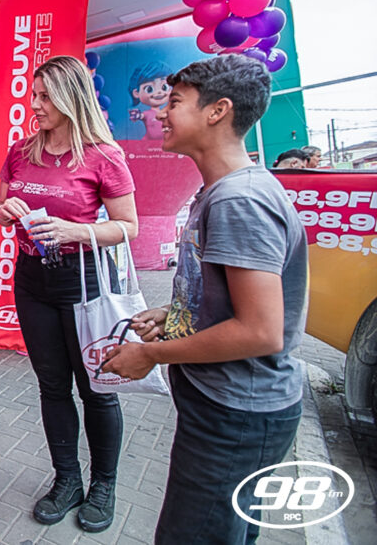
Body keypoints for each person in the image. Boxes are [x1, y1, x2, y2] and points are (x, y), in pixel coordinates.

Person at [102, 55, 308, 544]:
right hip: (225, 408)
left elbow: (259, 331)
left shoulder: (240, 200)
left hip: (236, 417)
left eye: (174, 102)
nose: (160, 112)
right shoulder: (220, 191)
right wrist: (175, 315)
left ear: (218, 111)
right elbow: (229, 301)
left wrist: (150, 355)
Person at [0, 55, 138, 533]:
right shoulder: (21, 151)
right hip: (33, 280)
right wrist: (5, 212)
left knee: (97, 388)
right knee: (52, 386)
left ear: (70, 98)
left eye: (44, 97)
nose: (34, 104)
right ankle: (67, 480)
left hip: (85, 282)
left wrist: (76, 231)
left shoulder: (103, 155)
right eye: (33, 95)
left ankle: (104, 486)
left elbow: (128, 226)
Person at [127, 61, 172, 141]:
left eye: (164, 87)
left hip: (163, 142)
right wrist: (137, 115)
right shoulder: (147, 114)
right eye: (149, 89)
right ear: (136, 93)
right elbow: (141, 116)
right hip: (147, 143)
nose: (159, 92)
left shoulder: (167, 113)